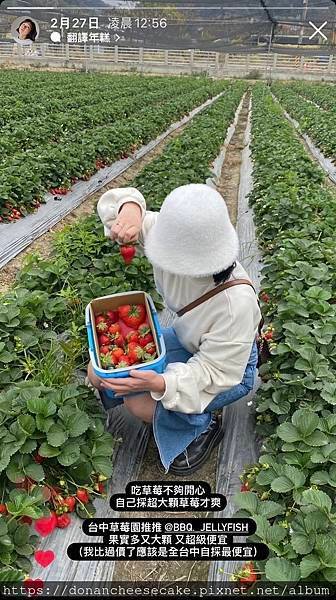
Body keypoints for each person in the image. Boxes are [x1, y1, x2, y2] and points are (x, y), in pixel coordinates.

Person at [87, 184, 261, 475]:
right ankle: (177, 409)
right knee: (97, 373)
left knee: (139, 403)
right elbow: (131, 214)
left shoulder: (235, 305)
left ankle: (202, 427)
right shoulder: (173, 236)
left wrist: (160, 383)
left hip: (227, 371)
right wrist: (129, 207)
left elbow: (214, 373)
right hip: (188, 340)